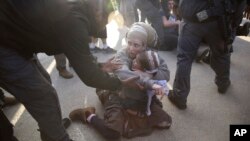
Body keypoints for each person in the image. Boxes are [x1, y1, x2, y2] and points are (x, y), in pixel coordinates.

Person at [0, 0, 139, 141]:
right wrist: (121, 84)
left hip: (16, 38)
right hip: (5, 42)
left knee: (44, 80)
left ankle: (52, 129)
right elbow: (89, 76)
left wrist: (100, 66)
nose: (105, 27)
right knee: (43, 95)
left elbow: (80, 56)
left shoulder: (79, 11)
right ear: (98, 14)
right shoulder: (74, 22)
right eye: (106, 22)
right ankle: (58, 137)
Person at [69, 22, 172, 140]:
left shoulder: (151, 55)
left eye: (136, 45)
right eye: (129, 43)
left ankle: (132, 113)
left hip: (140, 99)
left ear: (144, 46)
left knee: (166, 122)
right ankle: (87, 114)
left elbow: (166, 74)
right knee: (112, 134)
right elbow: (123, 74)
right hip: (118, 95)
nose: (131, 48)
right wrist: (149, 80)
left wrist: (145, 74)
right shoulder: (122, 53)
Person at [168, 0, 247, 110]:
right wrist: (234, 24)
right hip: (218, 19)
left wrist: (178, 10)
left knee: (184, 58)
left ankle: (179, 96)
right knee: (221, 54)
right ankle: (223, 83)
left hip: (192, 16)